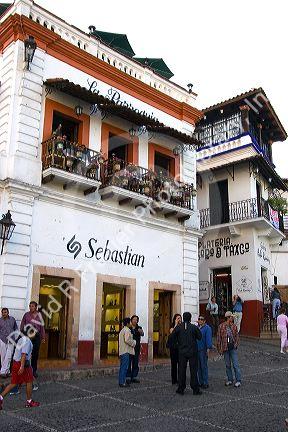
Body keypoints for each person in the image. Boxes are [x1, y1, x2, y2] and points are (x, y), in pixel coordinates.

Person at [0, 329, 40, 410]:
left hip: (15, 363)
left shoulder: (21, 339)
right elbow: (24, 354)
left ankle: (0, 397)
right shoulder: (27, 341)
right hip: (23, 364)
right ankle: (29, 402)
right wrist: (21, 366)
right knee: (29, 381)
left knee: (13, 383)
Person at [173, 312, 202, 396]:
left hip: (182, 352)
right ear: (190, 318)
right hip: (192, 351)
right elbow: (200, 337)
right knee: (193, 370)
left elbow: (173, 336)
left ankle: (181, 388)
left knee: (181, 370)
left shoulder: (179, 327)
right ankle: (195, 389)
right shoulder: (194, 327)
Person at [20, 301, 45, 390]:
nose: (31, 307)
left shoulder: (39, 316)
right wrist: (22, 333)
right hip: (28, 335)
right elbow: (22, 324)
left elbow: (42, 327)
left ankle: (34, 371)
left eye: (32, 306)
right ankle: (26, 369)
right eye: (30, 306)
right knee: (27, 352)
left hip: (37, 336)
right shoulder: (26, 315)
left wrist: (43, 337)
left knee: (35, 353)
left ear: (36, 307)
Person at [217, 311, 241, 388]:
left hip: (232, 348)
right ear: (228, 317)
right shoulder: (221, 326)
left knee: (235, 365)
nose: (232, 318)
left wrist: (236, 344)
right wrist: (219, 349)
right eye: (231, 317)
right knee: (227, 365)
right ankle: (230, 379)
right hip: (225, 348)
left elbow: (237, 336)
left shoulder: (234, 326)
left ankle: (238, 380)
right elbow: (218, 338)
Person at [0, 308, 18, 377]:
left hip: (11, 340)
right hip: (2, 339)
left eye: (5, 312)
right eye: (3, 312)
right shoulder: (0, 320)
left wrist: (15, 337)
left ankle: (3, 372)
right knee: (3, 356)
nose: (4, 314)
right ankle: (6, 371)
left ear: (8, 313)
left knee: (9, 356)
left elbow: (16, 328)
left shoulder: (12, 319)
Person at [118, 317, 136, 388]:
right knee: (124, 367)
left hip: (122, 351)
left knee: (122, 367)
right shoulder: (127, 330)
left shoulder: (122, 330)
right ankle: (122, 382)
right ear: (128, 323)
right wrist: (134, 342)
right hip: (125, 351)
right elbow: (127, 340)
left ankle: (122, 381)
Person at [126, 315, 144, 384]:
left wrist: (141, 332)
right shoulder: (128, 328)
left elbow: (142, 334)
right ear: (131, 320)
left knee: (135, 362)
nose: (135, 321)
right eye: (134, 319)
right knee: (129, 362)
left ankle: (134, 377)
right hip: (130, 347)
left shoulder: (139, 328)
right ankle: (128, 377)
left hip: (136, 347)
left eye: (136, 320)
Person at [197, 315, 212, 389]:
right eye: (199, 319)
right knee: (198, 367)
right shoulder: (197, 327)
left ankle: (205, 382)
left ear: (204, 321)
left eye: (201, 319)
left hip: (203, 350)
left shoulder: (207, 328)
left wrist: (208, 348)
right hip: (197, 350)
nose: (200, 320)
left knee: (204, 366)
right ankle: (200, 382)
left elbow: (208, 339)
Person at [166, 314, 181, 385]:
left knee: (181, 364)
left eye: (180, 318)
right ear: (174, 319)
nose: (179, 320)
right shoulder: (172, 327)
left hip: (180, 348)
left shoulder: (182, 327)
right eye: (178, 318)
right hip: (173, 349)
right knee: (174, 364)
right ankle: (174, 379)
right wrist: (175, 324)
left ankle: (180, 378)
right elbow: (172, 334)